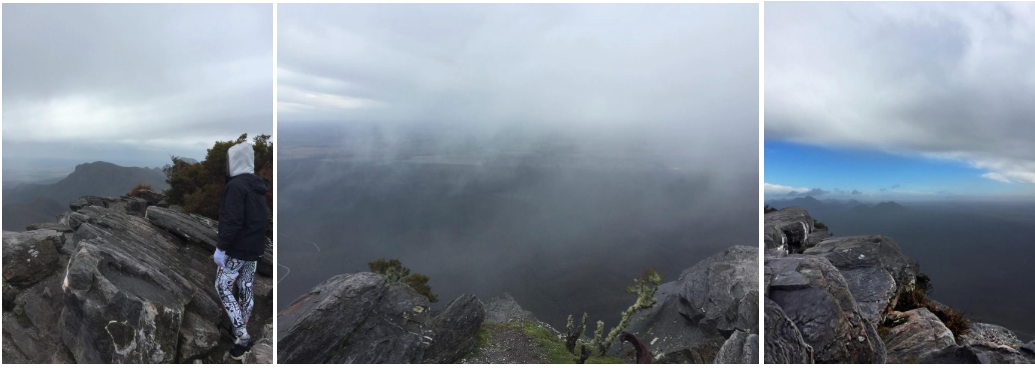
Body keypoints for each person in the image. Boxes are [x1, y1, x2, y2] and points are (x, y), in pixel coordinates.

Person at [213, 141, 270, 360]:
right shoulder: (257, 186)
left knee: (223, 287)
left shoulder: (235, 186)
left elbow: (233, 220)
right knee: (245, 288)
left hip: (237, 250)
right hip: (253, 250)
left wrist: (222, 247)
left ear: (233, 161)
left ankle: (242, 338)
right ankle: (242, 337)